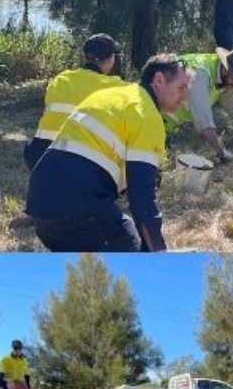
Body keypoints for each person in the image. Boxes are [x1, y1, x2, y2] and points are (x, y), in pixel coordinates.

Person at [26, 54, 190, 252]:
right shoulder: (146, 114)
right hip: (77, 206)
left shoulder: (111, 95)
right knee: (128, 249)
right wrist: (157, 250)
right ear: (159, 80)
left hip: (39, 203)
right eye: (181, 87)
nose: (185, 96)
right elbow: (142, 196)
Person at [23, 33, 124, 171]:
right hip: (77, 159)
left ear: (85, 56)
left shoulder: (61, 79)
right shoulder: (115, 86)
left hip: (40, 154)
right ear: (111, 59)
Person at [167, 48, 233, 162]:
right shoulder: (198, 74)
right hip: (153, 118)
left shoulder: (227, 80)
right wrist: (223, 153)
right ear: (226, 68)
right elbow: (204, 123)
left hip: (168, 126)